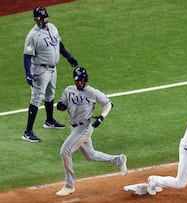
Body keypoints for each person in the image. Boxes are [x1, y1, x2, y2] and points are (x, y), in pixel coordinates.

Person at [55, 67, 127, 196]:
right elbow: (62, 104)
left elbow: (108, 103)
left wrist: (101, 117)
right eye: (77, 81)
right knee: (91, 155)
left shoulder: (92, 92)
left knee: (65, 151)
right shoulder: (68, 90)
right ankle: (119, 160)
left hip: (84, 128)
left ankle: (69, 185)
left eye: (81, 80)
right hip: (74, 127)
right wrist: (60, 106)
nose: (79, 83)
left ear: (85, 80)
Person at [22, 6, 78, 142]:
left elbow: (59, 45)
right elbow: (27, 56)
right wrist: (28, 73)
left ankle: (49, 121)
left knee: (50, 94)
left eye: (45, 17)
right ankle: (27, 132)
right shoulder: (32, 36)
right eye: (42, 18)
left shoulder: (52, 27)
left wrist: (68, 56)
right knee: (36, 98)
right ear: (36, 19)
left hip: (53, 69)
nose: (45, 20)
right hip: (40, 70)